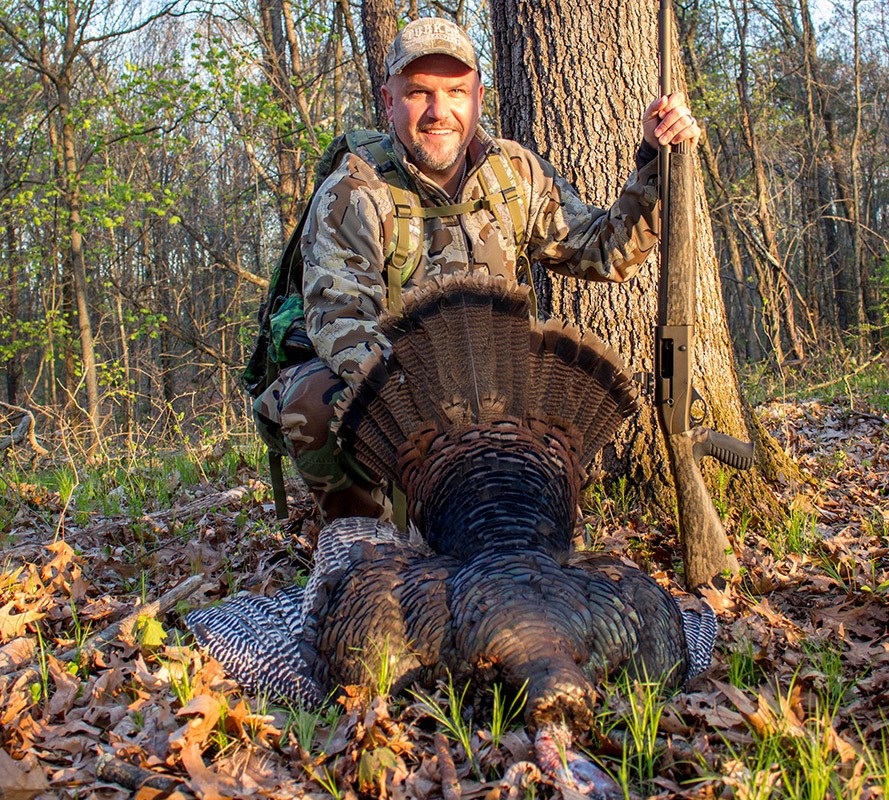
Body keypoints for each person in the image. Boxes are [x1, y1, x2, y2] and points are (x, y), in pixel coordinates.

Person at [253, 17, 701, 523]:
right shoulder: (354, 190)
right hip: (402, 393)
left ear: (479, 98)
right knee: (312, 400)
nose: (438, 111)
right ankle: (368, 545)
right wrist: (425, 411)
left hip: (494, 383)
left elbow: (604, 250)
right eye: (419, 93)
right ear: (388, 101)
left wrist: (655, 160)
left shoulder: (514, 173)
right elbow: (340, 319)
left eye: (455, 92)